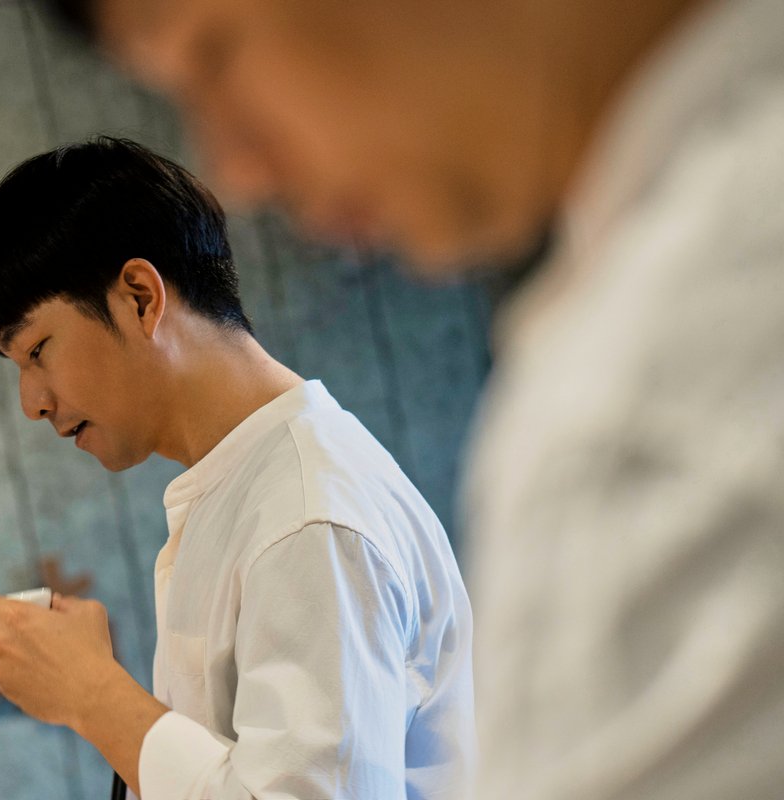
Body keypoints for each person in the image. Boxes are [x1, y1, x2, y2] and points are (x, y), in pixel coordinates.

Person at [41, 1, 784, 798]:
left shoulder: (658, 378)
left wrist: (95, 698)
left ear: (140, 299)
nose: (238, 166)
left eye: (214, 55)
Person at [0, 137, 475, 799]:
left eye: (37, 351)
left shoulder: (305, 516)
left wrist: (95, 696)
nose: (32, 402)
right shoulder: (252, 490)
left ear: (139, 297)